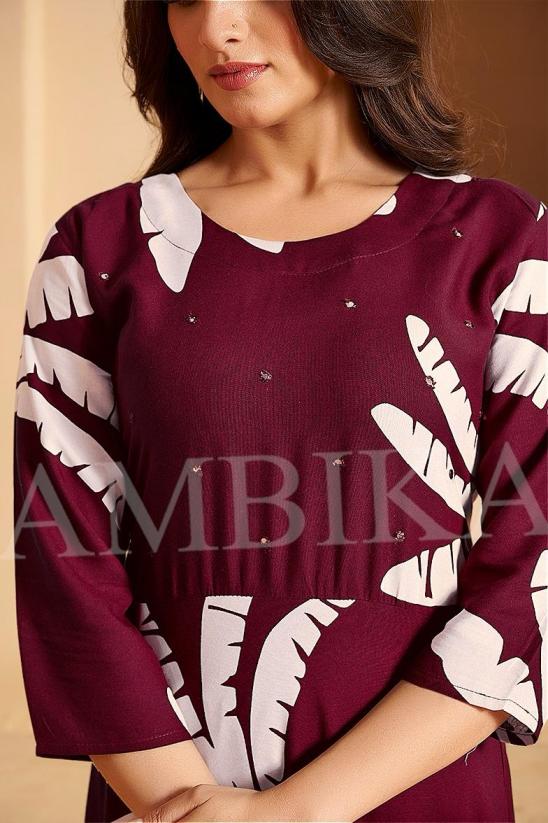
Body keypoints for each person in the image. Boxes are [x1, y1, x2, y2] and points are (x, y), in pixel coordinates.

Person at [13, 1, 547, 821]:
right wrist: (185, 809)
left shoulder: (501, 241)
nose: (217, 28)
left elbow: (533, 561)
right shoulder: (99, 250)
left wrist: (296, 813)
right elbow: (62, 559)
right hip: (168, 803)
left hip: (422, 788)